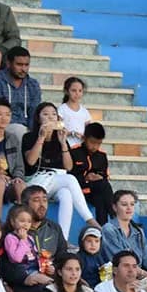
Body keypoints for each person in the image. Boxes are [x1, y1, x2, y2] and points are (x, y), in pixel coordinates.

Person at [22, 102, 99, 239]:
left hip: (57, 181)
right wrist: (41, 137)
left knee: (66, 194)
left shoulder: (60, 139)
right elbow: (31, 161)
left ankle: (63, 239)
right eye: (45, 114)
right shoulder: (29, 137)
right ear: (38, 118)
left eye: (54, 114)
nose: (50, 118)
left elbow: (69, 167)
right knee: (70, 179)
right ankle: (90, 219)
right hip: (37, 181)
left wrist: (63, 142)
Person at [0, 46, 41, 138]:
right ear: (8, 63)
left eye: (26, 65)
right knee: (19, 131)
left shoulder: (33, 84)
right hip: (4, 125)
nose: (24, 69)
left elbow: (34, 111)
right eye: (19, 65)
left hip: (27, 128)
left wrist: (33, 131)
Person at [70, 122, 114, 224]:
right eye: (92, 142)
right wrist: (86, 178)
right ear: (84, 138)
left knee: (100, 197)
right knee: (103, 187)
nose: (95, 146)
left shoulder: (102, 155)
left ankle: (102, 227)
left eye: (99, 143)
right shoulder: (74, 152)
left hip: (95, 190)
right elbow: (68, 175)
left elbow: (105, 175)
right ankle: (114, 213)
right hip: (78, 190)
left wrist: (98, 176)